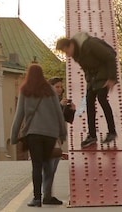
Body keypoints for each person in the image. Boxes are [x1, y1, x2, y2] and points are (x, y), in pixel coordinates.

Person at [11, 64, 67, 208]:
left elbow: (19, 116)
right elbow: (58, 113)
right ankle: (47, 194)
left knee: (36, 166)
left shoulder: (25, 90)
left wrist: (14, 136)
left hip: (33, 134)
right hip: (50, 134)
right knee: (48, 164)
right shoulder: (50, 90)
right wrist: (62, 133)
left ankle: (37, 198)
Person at [55, 32, 118, 148]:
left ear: (70, 46)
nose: (67, 55)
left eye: (65, 51)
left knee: (102, 99)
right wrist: (89, 82)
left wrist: (111, 78)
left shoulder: (90, 44)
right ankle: (92, 135)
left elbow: (109, 57)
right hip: (93, 79)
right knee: (89, 102)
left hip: (104, 75)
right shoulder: (77, 54)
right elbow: (87, 69)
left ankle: (112, 132)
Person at [41, 77, 76, 206]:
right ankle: (46, 195)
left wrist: (71, 110)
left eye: (61, 87)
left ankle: (47, 194)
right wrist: (60, 106)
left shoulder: (57, 101)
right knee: (49, 167)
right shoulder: (46, 101)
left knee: (52, 167)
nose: (60, 89)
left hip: (56, 139)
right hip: (48, 139)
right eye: (57, 87)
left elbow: (65, 120)